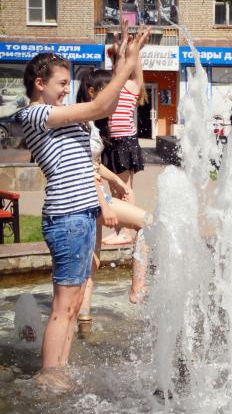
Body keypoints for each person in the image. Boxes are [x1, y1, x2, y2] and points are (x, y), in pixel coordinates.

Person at [20, 22, 151, 392]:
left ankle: (60, 370)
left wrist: (126, 57)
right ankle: (49, 376)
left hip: (80, 214)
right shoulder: (36, 115)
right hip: (67, 217)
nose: (66, 89)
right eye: (61, 83)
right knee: (63, 307)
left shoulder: (55, 115)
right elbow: (98, 104)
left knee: (75, 303)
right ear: (39, 83)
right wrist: (127, 64)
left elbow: (94, 132)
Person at [75, 68, 151, 328]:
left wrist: (116, 180)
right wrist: (103, 201)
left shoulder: (90, 124)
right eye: (112, 94)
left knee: (92, 258)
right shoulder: (81, 123)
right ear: (92, 93)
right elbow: (85, 168)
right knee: (147, 223)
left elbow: (93, 163)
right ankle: (137, 289)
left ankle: (83, 314)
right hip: (88, 198)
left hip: (93, 195)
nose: (117, 100)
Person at [101, 38, 146, 246]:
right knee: (114, 188)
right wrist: (119, 50)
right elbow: (117, 66)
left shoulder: (132, 87)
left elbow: (134, 67)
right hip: (112, 142)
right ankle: (122, 230)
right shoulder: (112, 87)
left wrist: (134, 49)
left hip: (126, 142)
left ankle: (127, 231)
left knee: (125, 188)